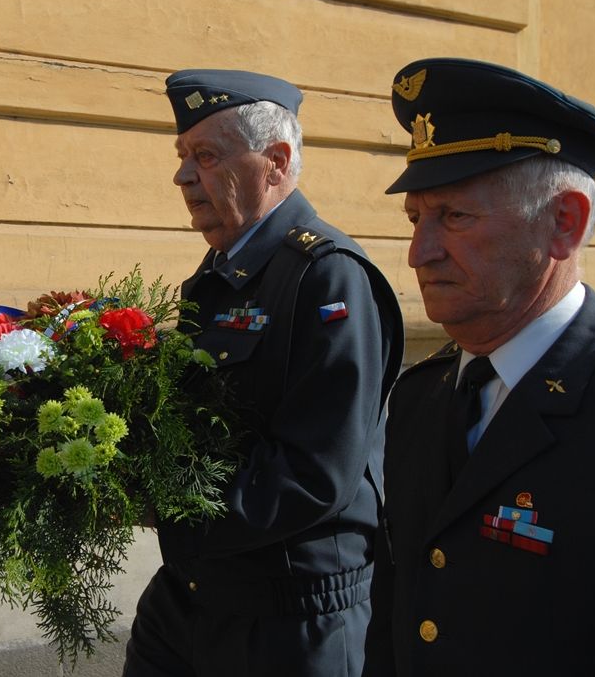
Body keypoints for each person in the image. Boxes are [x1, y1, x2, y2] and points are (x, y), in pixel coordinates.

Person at [123, 69, 404, 676]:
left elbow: (315, 472)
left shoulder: (328, 276)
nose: (182, 176)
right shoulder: (215, 276)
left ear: (275, 162)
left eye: (205, 156)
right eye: (182, 156)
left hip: (292, 612)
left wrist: (163, 506)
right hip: (195, 593)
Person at [364, 58, 595, 676]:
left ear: (564, 223)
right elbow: (398, 616)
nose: (418, 253)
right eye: (415, 219)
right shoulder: (421, 394)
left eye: (455, 216)